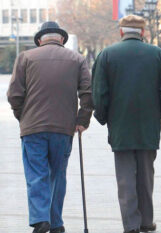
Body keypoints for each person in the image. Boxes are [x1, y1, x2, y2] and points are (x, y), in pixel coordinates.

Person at [91, 15, 161, 233]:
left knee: (125, 176)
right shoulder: (157, 54)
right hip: (148, 125)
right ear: (143, 32)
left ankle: (131, 224)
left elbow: (99, 93)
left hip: (120, 125)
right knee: (146, 175)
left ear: (121, 32)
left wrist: (103, 117)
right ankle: (147, 221)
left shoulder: (107, 55)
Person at [7, 22, 93, 233]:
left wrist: (23, 116)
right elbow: (88, 93)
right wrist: (82, 119)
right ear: (61, 39)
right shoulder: (77, 59)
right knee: (57, 174)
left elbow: (14, 95)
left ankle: (40, 218)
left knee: (37, 173)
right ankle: (55, 222)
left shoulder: (25, 58)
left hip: (33, 128)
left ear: (39, 40)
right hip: (63, 128)